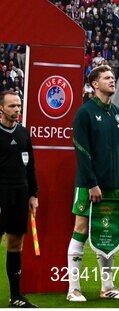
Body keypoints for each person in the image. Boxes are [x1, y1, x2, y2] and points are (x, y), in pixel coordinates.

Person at [66, 65, 119, 302]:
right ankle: (73, 288)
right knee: (81, 229)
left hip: (113, 186)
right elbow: (81, 151)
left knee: (108, 232)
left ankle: (108, 286)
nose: (112, 80)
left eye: (113, 77)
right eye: (107, 78)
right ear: (94, 84)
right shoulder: (84, 113)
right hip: (88, 185)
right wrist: (92, 183)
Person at [0, 90, 39, 308]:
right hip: (1, 195)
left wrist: (33, 194)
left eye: (18, 106)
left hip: (20, 195)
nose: (16, 109)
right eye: (12, 106)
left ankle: (16, 296)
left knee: (15, 245)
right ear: (1, 108)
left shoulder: (24, 134)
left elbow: (30, 166)